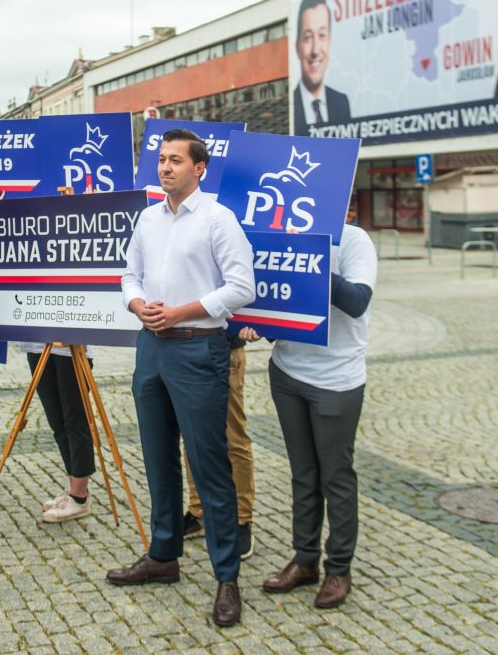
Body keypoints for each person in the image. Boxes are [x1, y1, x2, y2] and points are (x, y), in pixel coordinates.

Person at [107, 128, 255, 628]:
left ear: (200, 168)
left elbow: (242, 287)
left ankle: (227, 576)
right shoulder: (148, 218)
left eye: (175, 160)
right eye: (161, 159)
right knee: (157, 460)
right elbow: (128, 274)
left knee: (208, 464)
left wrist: (180, 312)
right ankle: (163, 556)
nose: (164, 167)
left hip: (198, 350)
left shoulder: (218, 219)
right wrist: (137, 305)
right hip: (151, 351)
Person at [262, 220, 377, 610]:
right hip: (289, 371)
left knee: (336, 476)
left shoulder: (354, 240)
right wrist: (256, 325)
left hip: (337, 378)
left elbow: (357, 300)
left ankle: (339, 568)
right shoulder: (282, 233)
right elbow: (274, 300)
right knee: (303, 473)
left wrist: (308, 258)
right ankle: (305, 559)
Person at [182, 324, 256, 560]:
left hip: (225, 348)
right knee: (192, 434)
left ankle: (242, 519)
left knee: (233, 438)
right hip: (185, 347)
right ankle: (198, 511)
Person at [26, 341, 97, 523]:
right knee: (57, 422)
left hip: (72, 348)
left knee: (74, 420)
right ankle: (74, 488)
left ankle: (79, 496)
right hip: (37, 345)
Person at [292, 0, 352, 135]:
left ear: (329, 41)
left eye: (322, 35)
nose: (315, 50)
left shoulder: (341, 103)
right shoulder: (291, 105)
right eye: (307, 37)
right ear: (297, 46)